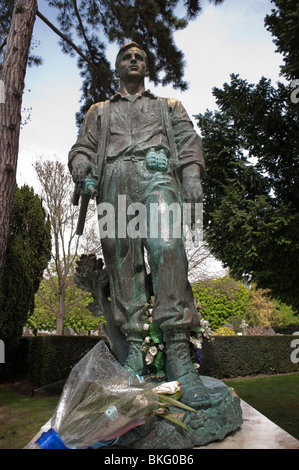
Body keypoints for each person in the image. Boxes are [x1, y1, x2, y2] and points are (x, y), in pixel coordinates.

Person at [68, 42, 210, 408]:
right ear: (117, 67)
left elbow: (188, 141)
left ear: (146, 67)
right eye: (126, 57)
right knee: (121, 260)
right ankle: (135, 350)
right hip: (114, 179)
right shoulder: (99, 111)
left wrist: (192, 176)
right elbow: (82, 147)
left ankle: (178, 353)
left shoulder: (167, 106)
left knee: (167, 247)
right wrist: (81, 165)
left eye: (141, 57)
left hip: (156, 174)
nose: (134, 60)